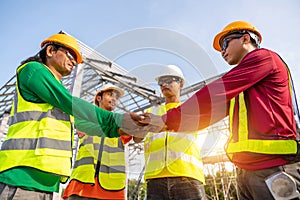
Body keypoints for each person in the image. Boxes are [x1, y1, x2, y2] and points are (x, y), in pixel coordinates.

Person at [141, 21, 300, 200]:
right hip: (247, 171)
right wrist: (166, 123)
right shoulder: (244, 79)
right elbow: (207, 115)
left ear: (245, 38)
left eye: (225, 44)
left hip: (273, 166)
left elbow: (216, 93)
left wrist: (166, 120)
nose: (222, 52)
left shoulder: (264, 58)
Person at [0, 32, 145, 200]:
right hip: (21, 175)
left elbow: (90, 126)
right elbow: (69, 101)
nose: (74, 62)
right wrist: (118, 119)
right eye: (70, 55)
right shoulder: (33, 70)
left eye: (76, 60)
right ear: (50, 51)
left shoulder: (55, 97)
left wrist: (128, 126)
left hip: (45, 182)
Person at [134, 65, 206, 200]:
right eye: (161, 82)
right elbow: (136, 139)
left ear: (181, 84)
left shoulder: (192, 110)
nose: (164, 84)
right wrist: (142, 126)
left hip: (187, 176)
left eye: (169, 80)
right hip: (155, 179)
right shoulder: (151, 112)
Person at [63, 84, 132, 200]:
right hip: (82, 186)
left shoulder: (120, 124)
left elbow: (136, 134)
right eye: (110, 95)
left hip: (111, 190)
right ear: (99, 98)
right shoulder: (85, 117)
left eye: (117, 97)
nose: (114, 98)